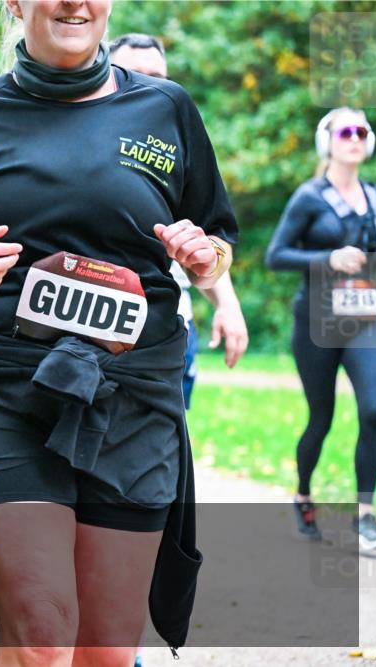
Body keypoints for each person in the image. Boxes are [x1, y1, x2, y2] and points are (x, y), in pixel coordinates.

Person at [0, 1, 237, 665]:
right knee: (41, 630)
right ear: (14, 4)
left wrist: (205, 255)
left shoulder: (168, 109)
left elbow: (216, 240)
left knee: (104, 651)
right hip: (2, 391)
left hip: (130, 400)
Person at [110, 32, 250, 408]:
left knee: (165, 449)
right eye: (133, 73)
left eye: (159, 76)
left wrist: (229, 306)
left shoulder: (177, 143)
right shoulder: (90, 139)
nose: (149, 85)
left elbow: (209, 238)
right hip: (92, 333)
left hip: (169, 328)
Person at [266, 107, 376, 550]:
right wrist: (326, 259)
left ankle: (365, 513)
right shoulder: (309, 197)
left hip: (365, 321)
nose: (355, 137)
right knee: (322, 417)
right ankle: (303, 493)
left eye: (362, 131)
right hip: (315, 322)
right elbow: (276, 255)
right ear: (327, 141)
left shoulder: (374, 196)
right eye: (345, 131)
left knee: (374, 410)